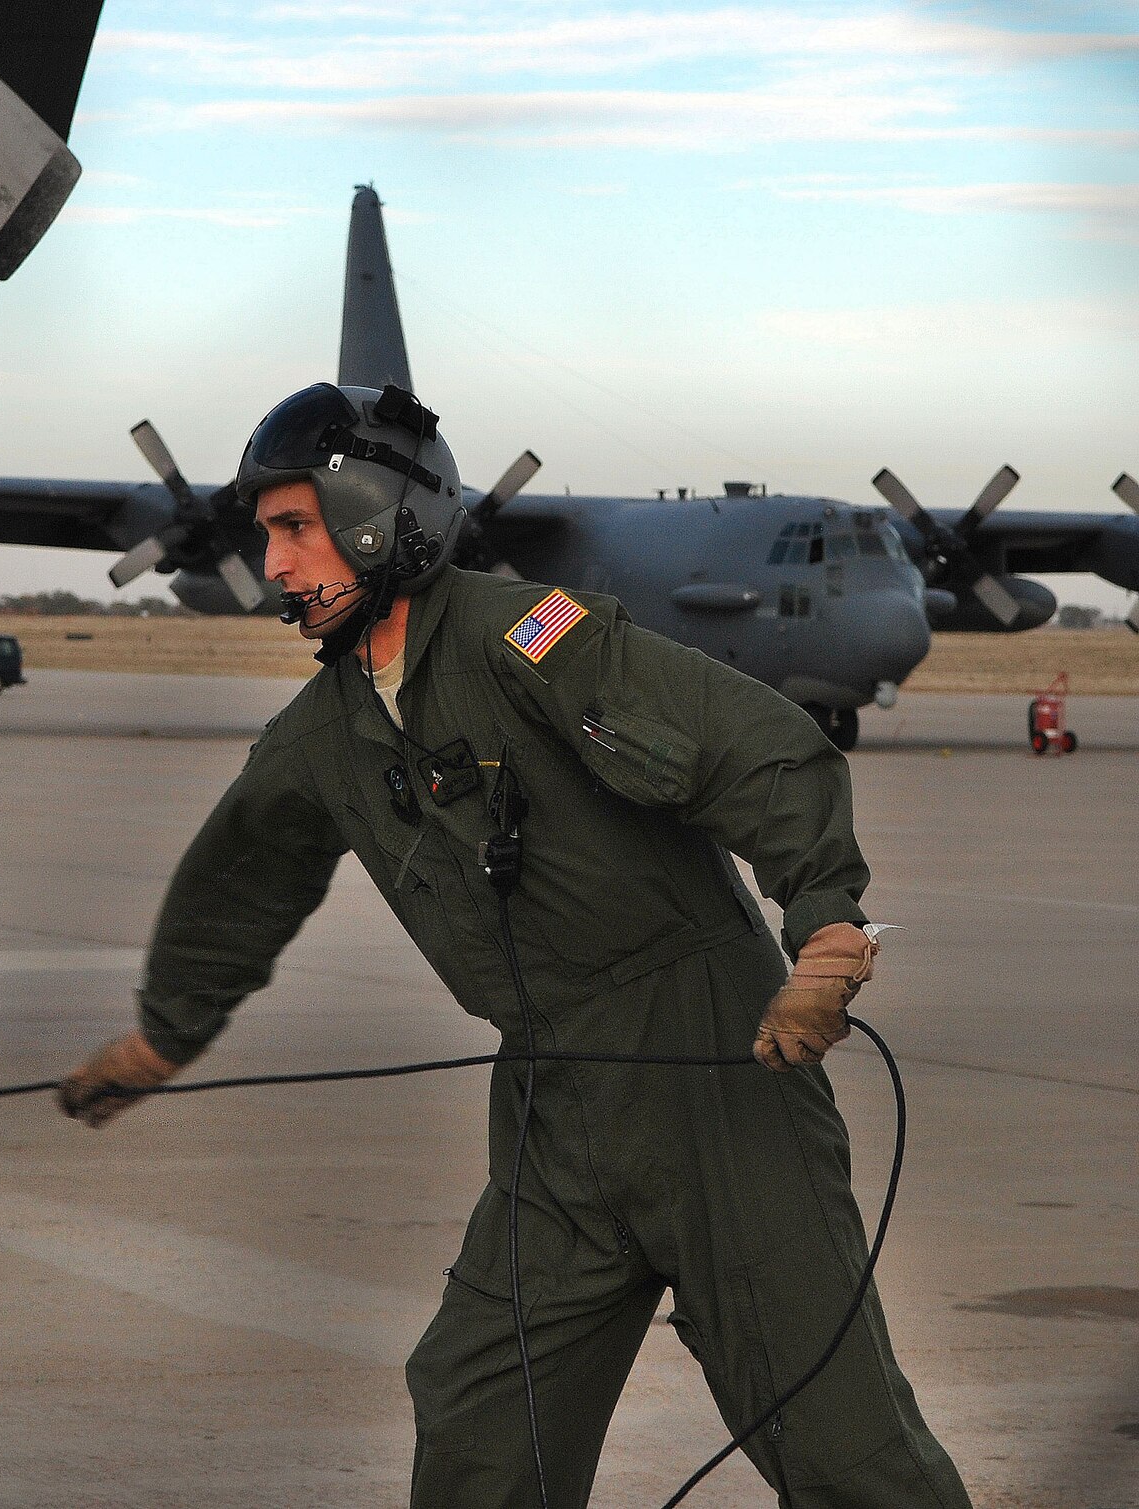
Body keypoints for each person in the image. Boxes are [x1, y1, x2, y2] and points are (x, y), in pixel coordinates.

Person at [57, 383, 973, 1508]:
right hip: (550, 1105)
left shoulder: (532, 637)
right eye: (264, 536)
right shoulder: (324, 735)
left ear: (373, 515)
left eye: (293, 527)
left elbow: (758, 749)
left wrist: (825, 933)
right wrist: (161, 1039)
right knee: (481, 1424)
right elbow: (238, 880)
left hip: (718, 1077)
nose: (275, 564)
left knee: (841, 1447)